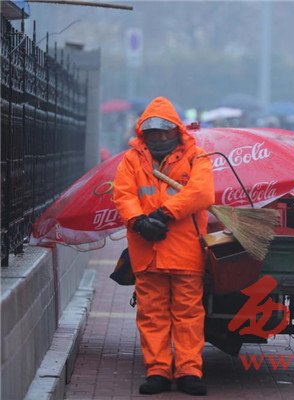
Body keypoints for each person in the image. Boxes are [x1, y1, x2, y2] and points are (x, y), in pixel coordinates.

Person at [113, 97, 215, 396]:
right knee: (152, 315)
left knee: (187, 316)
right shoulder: (132, 160)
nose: (158, 137)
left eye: (163, 131)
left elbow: (202, 192)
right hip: (148, 251)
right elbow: (123, 195)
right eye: (152, 132)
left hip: (184, 252)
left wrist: (162, 214)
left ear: (176, 131)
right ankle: (157, 370)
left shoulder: (196, 157)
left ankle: (188, 372)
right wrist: (138, 221)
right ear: (143, 133)